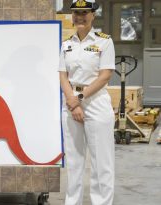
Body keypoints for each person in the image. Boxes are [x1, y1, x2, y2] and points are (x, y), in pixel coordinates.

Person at [58, 0, 116, 205]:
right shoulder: (66, 44)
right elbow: (63, 76)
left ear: (93, 15)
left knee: (102, 162)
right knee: (74, 161)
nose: (79, 17)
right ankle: (72, 202)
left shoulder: (104, 41)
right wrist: (73, 103)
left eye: (84, 12)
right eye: (76, 13)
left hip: (96, 103)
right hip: (71, 104)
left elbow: (104, 76)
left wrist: (78, 100)